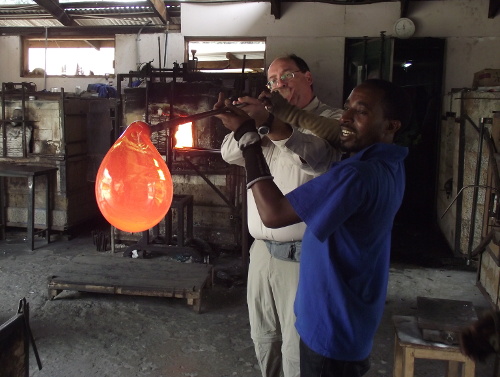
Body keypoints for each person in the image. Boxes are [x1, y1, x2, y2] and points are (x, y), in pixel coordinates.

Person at [216, 78, 411, 377]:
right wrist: (266, 120)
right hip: (349, 320)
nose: (345, 117)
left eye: (361, 111)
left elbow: (273, 213)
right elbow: (333, 137)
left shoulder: (357, 175)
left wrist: (247, 135)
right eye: (347, 107)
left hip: (330, 329)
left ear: (391, 126)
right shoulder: (388, 164)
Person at [220, 54, 342, 377]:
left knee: (297, 354)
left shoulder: (331, 119)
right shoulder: (265, 120)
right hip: (260, 254)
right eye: (272, 81)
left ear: (308, 77)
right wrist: (248, 122)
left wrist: (270, 124)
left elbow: (317, 158)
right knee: (265, 342)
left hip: (304, 259)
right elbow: (228, 152)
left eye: (286, 76)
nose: (279, 85)